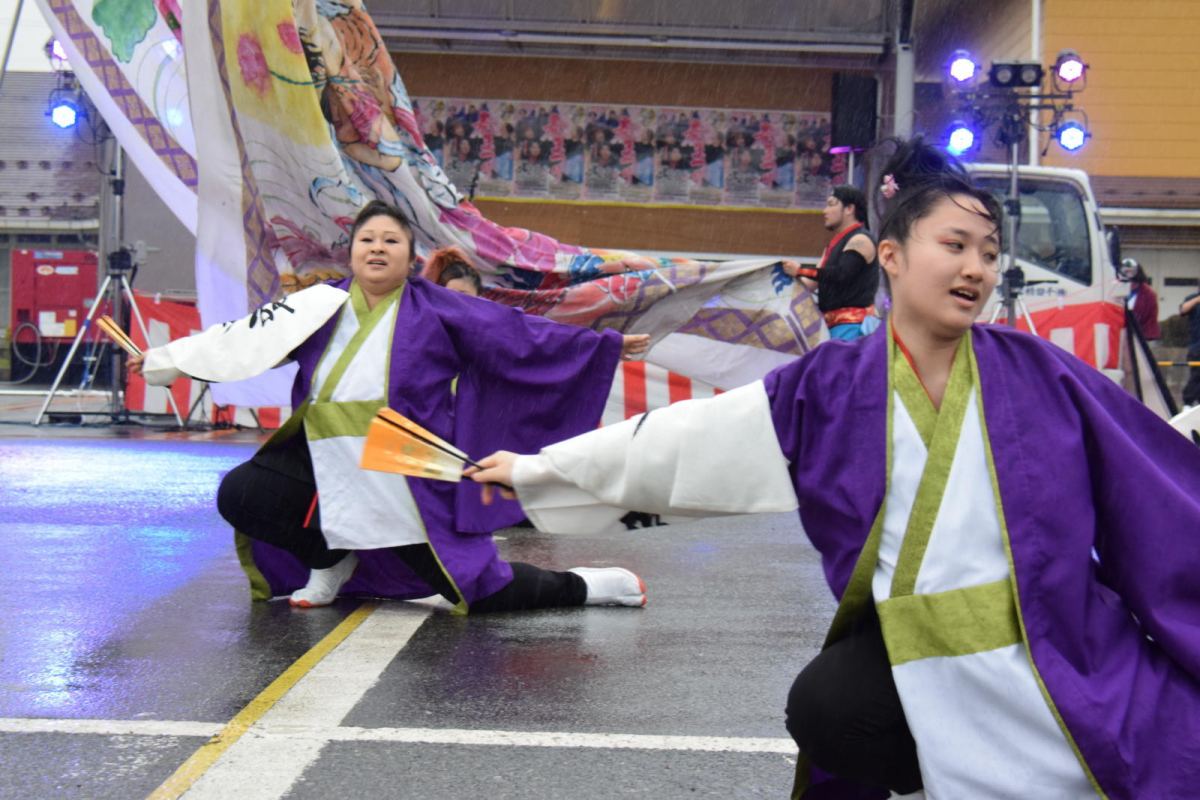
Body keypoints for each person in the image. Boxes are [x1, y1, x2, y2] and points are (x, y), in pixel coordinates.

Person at [467, 138, 1200, 798]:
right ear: (892, 255)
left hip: (1053, 650)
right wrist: (538, 470)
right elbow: (690, 439)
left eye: (987, 250)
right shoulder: (836, 384)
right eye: (956, 244)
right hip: (920, 656)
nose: (976, 267)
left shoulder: (1044, 376)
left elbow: (1159, 491)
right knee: (827, 708)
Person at [131, 200, 651, 613]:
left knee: (478, 590)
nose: (377, 248)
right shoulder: (316, 305)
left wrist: (598, 346)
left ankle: (587, 587)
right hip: (318, 455)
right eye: (367, 240)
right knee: (242, 493)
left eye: (391, 241)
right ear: (352, 251)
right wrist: (165, 359)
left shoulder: (439, 306)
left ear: (409, 256)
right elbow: (242, 339)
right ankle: (329, 556)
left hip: (402, 460)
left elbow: (516, 336)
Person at [784, 185, 880, 341]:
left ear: (849, 209)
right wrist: (780, 278)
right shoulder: (833, 245)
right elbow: (811, 283)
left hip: (853, 327)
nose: (825, 211)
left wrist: (800, 270)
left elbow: (841, 274)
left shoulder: (860, 240)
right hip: (831, 328)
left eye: (831, 204)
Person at [1124, 259, 1160, 341]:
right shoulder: (1117, 292)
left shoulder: (1149, 295)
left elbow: (1145, 320)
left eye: (1132, 281)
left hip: (1143, 336)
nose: (1129, 285)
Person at [1181, 277, 1200, 407]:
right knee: (1196, 375)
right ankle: (1187, 402)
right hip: (1196, 346)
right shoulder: (1193, 299)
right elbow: (1184, 309)